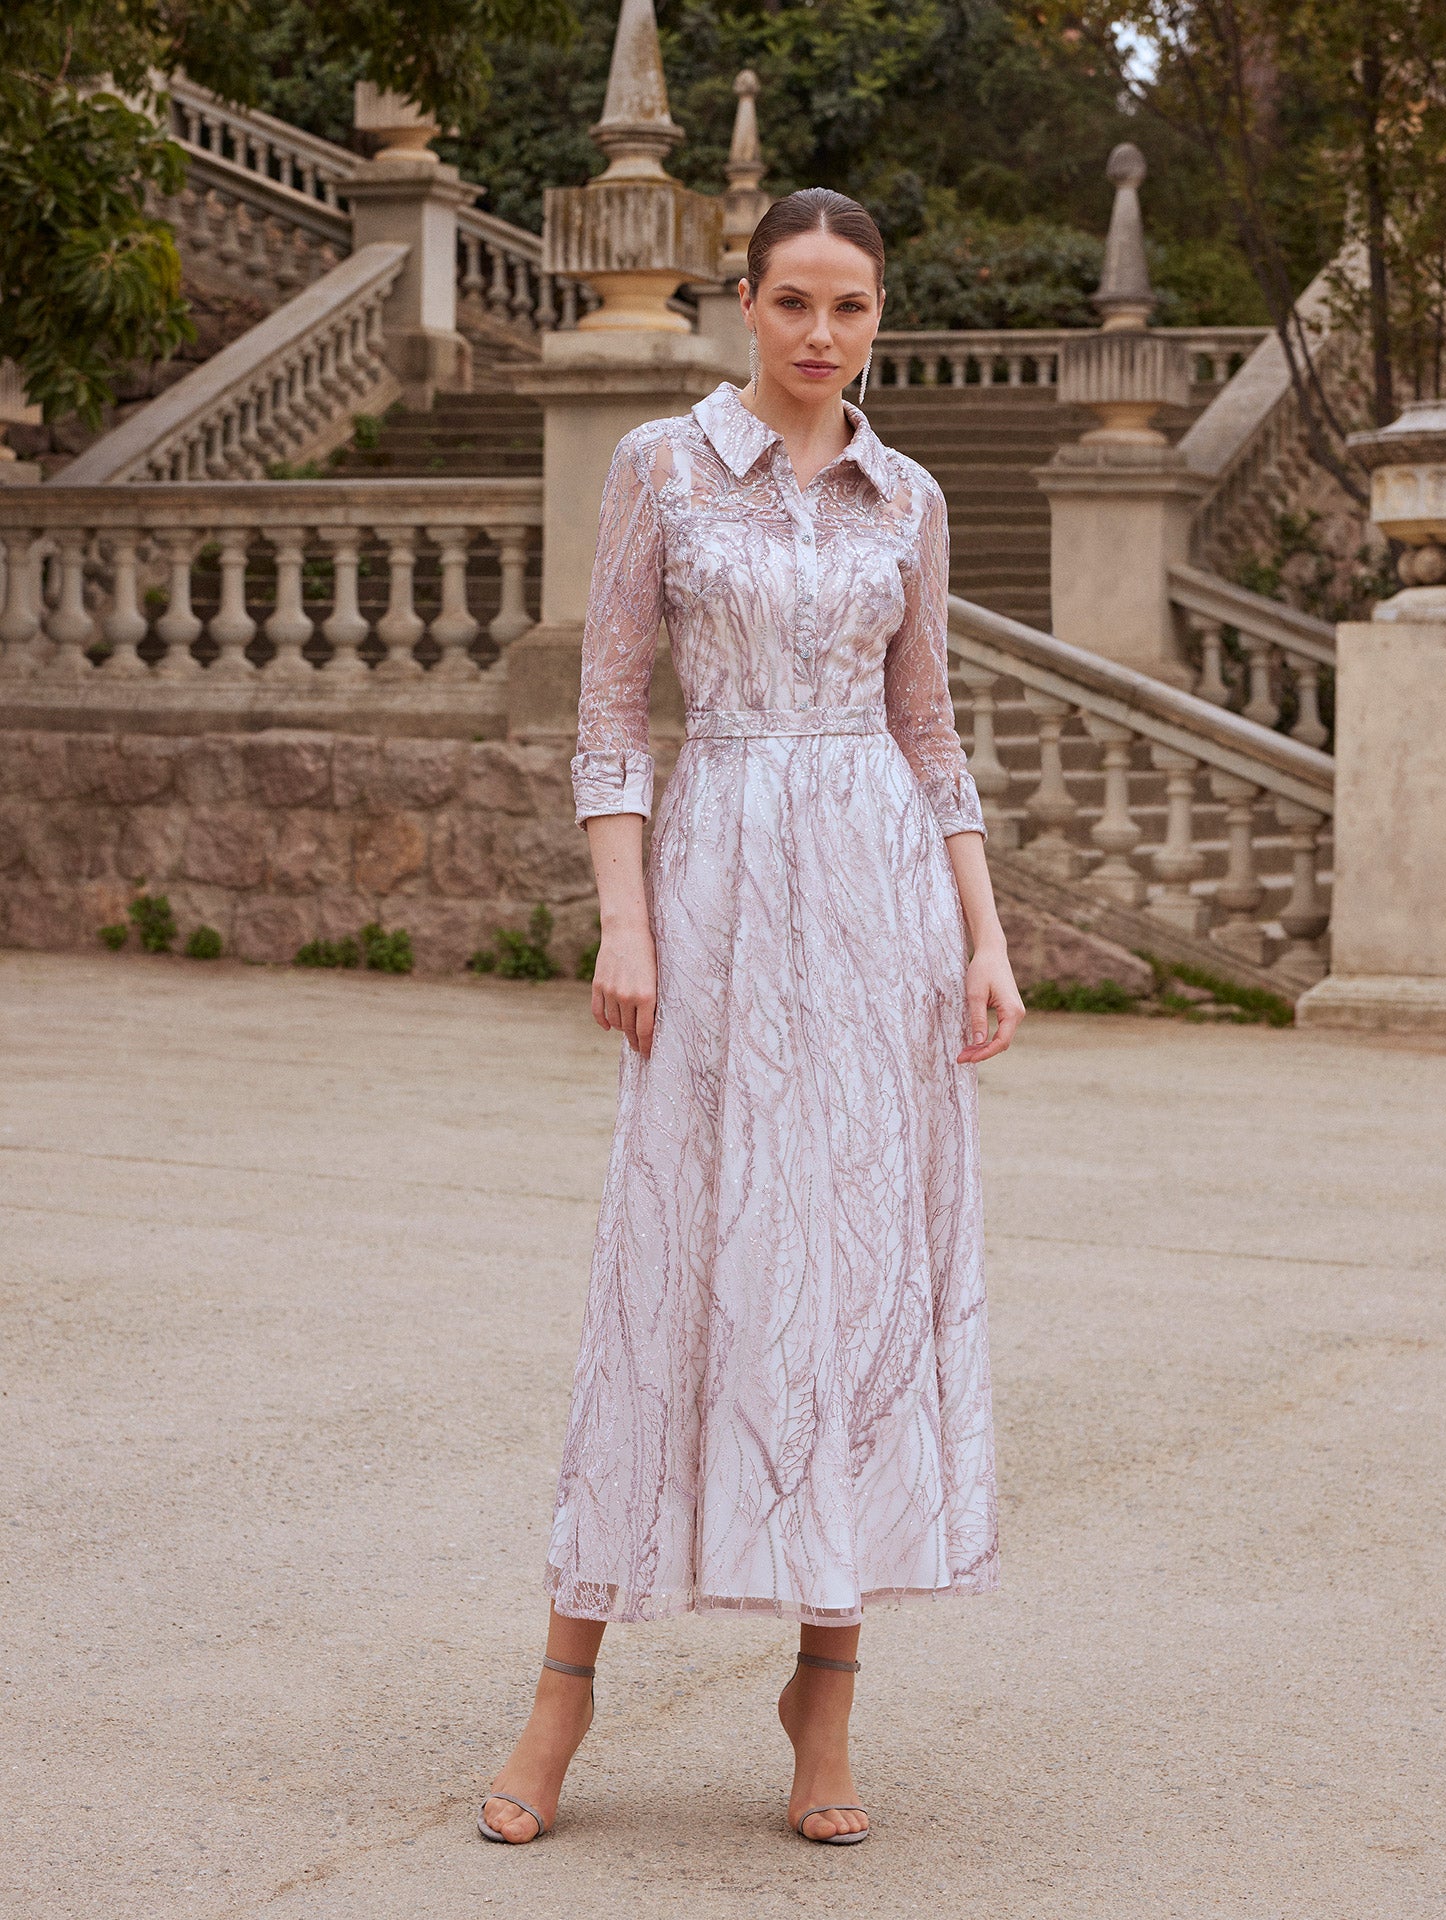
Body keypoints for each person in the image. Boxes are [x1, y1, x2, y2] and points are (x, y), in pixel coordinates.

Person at [479, 187, 1024, 1851]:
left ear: (878, 319)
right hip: (712, 889)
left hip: (880, 912)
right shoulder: (659, 467)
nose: (820, 335)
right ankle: (564, 1688)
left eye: (850, 307)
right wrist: (626, 923)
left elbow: (929, 733)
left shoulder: (910, 495)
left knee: (856, 1274)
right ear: (743, 302)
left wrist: (984, 939)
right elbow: (606, 721)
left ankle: (827, 1688)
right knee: (674, 1267)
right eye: (793, 301)